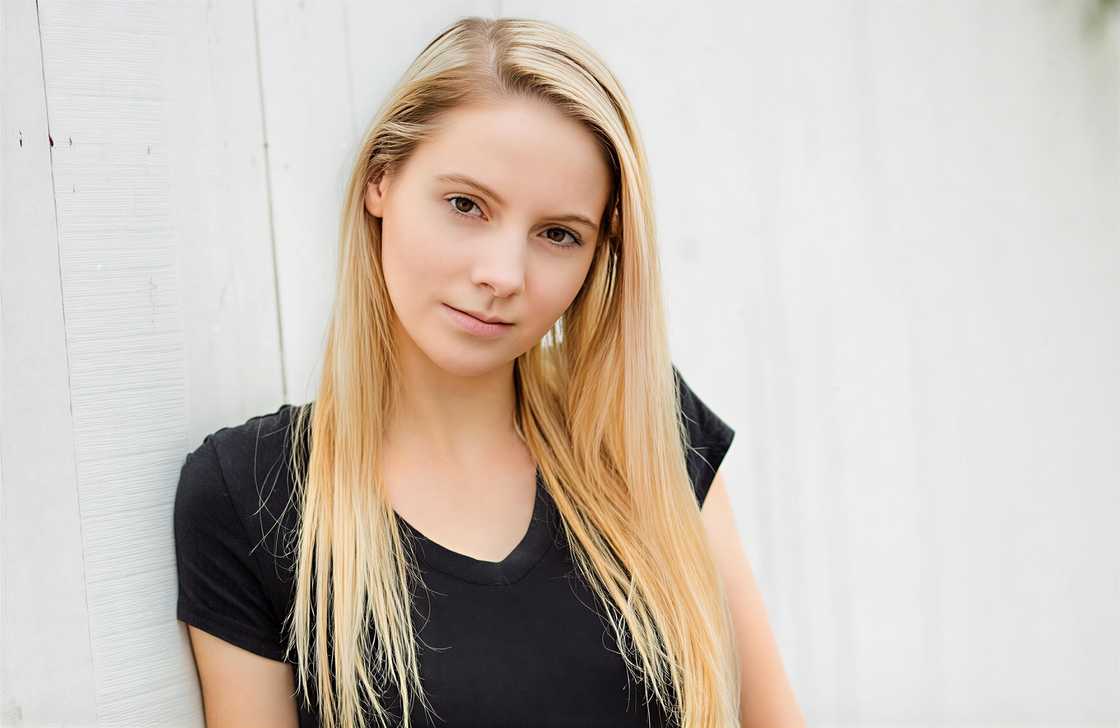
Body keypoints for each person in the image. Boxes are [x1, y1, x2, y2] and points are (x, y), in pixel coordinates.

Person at [173, 15, 804, 728]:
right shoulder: (251, 495)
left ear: (601, 255)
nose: (503, 275)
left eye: (558, 234)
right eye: (466, 205)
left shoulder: (643, 425)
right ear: (381, 180)